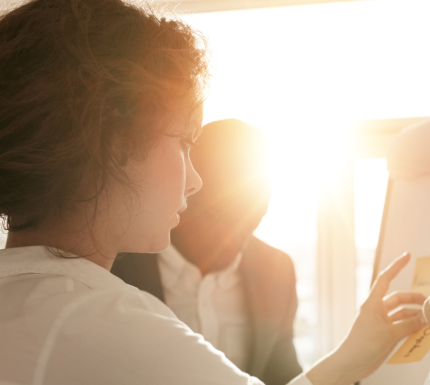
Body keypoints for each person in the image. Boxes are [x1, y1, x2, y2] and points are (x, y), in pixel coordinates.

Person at [0, 0, 430, 385]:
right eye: (183, 142)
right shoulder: (103, 326)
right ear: (111, 146)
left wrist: (353, 353)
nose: (196, 177)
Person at [111, 119, 303, 384]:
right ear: (185, 194)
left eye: (252, 218)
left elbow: (281, 374)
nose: (236, 238)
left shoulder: (276, 270)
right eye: (219, 218)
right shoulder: (117, 262)